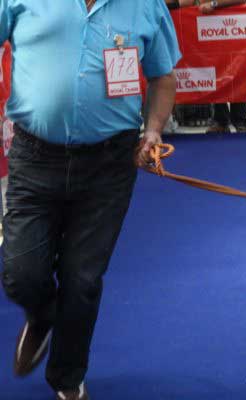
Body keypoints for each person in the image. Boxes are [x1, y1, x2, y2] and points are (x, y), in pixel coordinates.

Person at [0, 1, 181, 399]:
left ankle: (67, 378)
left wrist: (152, 131)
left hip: (110, 164)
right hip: (34, 156)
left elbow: (163, 78)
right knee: (20, 272)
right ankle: (43, 316)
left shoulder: (145, 6)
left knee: (82, 280)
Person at [166, 0, 246, 134]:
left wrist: (214, 4)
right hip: (209, 30)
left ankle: (240, 121)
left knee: (237, 71)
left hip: (234, 29)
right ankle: (221, 120)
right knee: (215, 72)